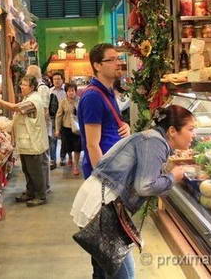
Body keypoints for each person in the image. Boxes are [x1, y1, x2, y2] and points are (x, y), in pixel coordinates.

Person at [71, 105, 193, 279]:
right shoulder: (156, 142)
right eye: (191, 129)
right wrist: (173, 177)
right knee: (125, 275)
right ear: (173, 130)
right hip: (101, 208)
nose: (193, 135)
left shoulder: (150, 137)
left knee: (103, 270)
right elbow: (144, 186)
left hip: (96, 201)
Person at [0, 76, 50, 207]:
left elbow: (15, 108)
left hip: (33, 142)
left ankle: (41, 196)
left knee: (35, 171)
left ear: (32, 87)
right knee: (27, 170)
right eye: (21, 84)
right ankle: (30, 192)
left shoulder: (33, 100)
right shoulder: (28, 98)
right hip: (26, 142)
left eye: (25, 85)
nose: (22, 87)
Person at [77, 43, 130, 179]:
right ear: (97, 66)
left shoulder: (107, 91)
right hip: (107, 174)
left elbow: (109, 124)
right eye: (111, 60)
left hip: (115, 167)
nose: (118, 63)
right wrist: (104, 179)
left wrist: (124, 127)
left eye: (118, 58)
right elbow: (92, 145)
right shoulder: (93, 97)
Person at [25, 65, 53, 189]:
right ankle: (42, 186)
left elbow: (45, 111)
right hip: (38, 130)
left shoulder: (42, 89)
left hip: (42, 130)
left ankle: (45, 186)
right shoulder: (37, 89)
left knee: (43, 160)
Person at [55, 82, 81, 176]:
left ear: (75, 91)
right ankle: (70, 157)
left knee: (77, 147)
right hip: (66, 128)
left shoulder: (80, 100)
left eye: (73, 91)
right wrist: (57, 129)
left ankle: (76, 166)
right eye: (69, 91)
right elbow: (58, 116)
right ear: (66, 92)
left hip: (78, 129)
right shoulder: (63, 102)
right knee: (68, 147)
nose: (71, 93)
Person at [49, 72, 66, 170]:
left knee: (64, 139)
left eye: (58, 79)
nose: (56, 81)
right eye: (54, 79)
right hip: (52, 119)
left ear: (62, 80)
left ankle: (63, 158)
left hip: (64, 118)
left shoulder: (66, 91)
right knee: (53, 140)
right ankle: (53, 160)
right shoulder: (49, 91)